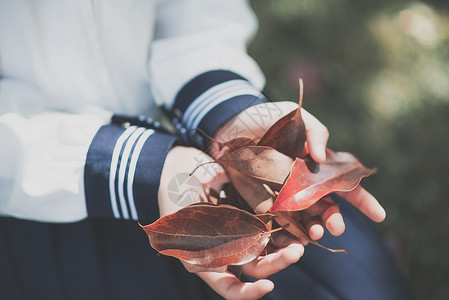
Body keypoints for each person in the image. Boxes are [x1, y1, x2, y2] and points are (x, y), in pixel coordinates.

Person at [0, 0, 412, 299]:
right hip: (48, 195)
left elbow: (195, 14)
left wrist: (226, 109)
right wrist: (143, 167)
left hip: (202, 143)